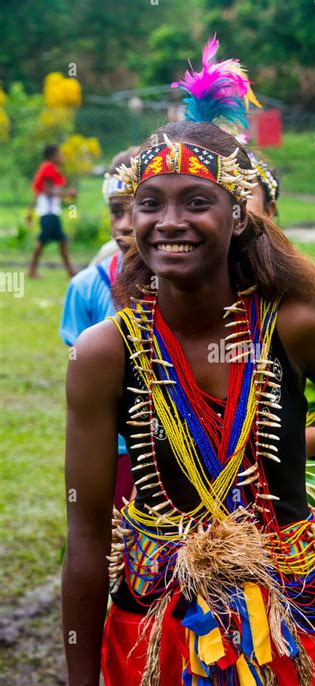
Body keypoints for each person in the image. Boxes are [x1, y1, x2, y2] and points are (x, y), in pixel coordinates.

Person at [63, 39, 315, 686]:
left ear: (238, 213)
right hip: (156, 632)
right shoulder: (105, 352)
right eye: (149, 203)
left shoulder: (297, 324)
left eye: (195, 201)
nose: (168, 222)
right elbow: (86, 536)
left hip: (297, 618)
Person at [246, 149, 315, 686]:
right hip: (220, 531)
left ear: (270, 212)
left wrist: (299, 444)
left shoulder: (303, 310)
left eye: (246, 200)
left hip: (306, 518)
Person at [60, 147, 138, 510]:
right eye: (116, 210)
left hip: (183, 449)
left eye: (138, 207)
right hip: (114, 448)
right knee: (111, 542)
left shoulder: (188, 289)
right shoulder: (87, 288)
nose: (124, 224)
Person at [28, 145, 77, 278]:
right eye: (59, 154)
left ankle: (70, 271)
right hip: (49, 213)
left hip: (49, 212)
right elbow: (47, 192)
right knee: (43, 242)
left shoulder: (48, 168)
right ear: (52, 156)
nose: (61, 156)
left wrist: (30, 211)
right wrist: (68, 193)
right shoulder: (49, 168)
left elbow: (38, 193)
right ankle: (32, 271)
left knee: (61, 242)